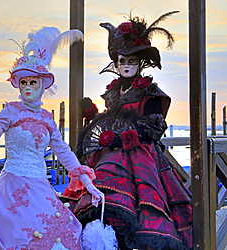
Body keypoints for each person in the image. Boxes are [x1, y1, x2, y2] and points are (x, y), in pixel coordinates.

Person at [0, 27, 103, 250]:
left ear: (42, 84)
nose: (27, 87)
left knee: (59, 228)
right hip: (13, 184)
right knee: (18, 234)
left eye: (32, 82)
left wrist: (86, 182)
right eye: (23, 82)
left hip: (40, 184)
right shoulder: (10, 111)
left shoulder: (47, 118)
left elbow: (62, 150)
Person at [62, 11, 193, 250]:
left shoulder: (149, 92)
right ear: (116, 62)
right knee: (102, 198)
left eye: (131, 61)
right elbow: (109, 120)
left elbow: (153, 128)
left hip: (141, 157)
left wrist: (124, 136)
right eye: (122, 61)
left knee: (139, 206)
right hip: (109, 154)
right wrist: (92, 115)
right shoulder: (113, 91)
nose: (126, 66)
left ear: (140, 63)